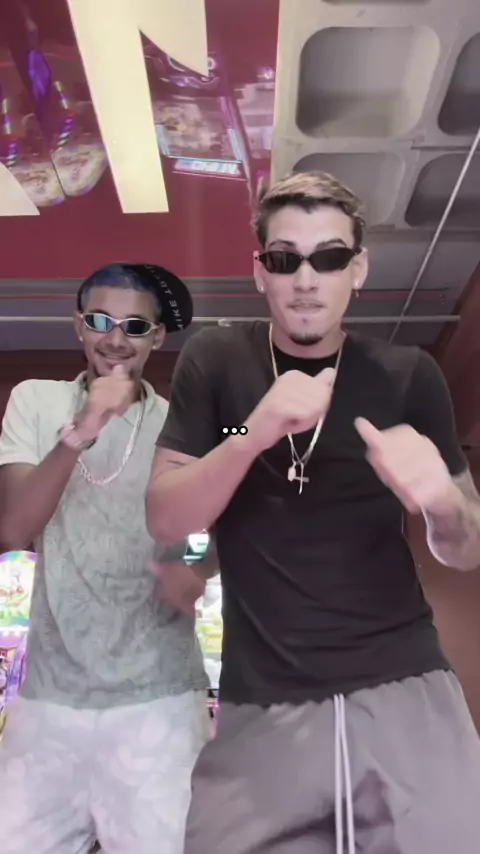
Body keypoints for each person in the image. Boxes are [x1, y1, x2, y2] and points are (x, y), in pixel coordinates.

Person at [146, 171, 480, 854]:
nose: (306, 279)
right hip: (261, 700)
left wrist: (444, 504)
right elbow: (166, 517)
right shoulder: (218, 361)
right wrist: (252, 434)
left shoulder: (408, 376)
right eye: (284, 258)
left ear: (357, 269)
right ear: (260, 273)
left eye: (329, 257)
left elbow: (467, 547)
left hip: (403, 683)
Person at [0, 263, 213, 854]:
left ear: (157, 337)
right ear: (78, 326)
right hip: (49, 698)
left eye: (135, 326)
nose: (115, 339)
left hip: (160, 699)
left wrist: (197, 567)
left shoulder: (183, 422)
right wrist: (85, 427)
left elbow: (211, 525)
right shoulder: (36, 400)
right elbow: (15, 528)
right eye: (100, 321)